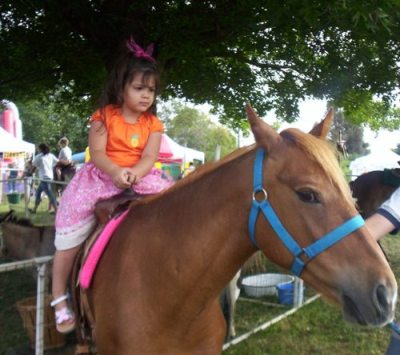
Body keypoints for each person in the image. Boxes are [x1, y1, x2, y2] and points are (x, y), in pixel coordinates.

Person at [50, 37, 173, 333]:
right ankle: (59, 297)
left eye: (151, 90)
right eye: (139, 88)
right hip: (102, 178)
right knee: (70, 231)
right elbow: (99, 154)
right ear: (122, 87)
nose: (146, 96)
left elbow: (149, 156)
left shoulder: (153, 124)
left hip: (141, 177)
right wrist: (117, 172)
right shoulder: (103, 117)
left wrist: (135, 173)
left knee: (178, 211)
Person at [29, 143, 59, 214]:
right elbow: (58, 162)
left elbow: (34, 167)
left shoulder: (39, 157)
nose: (38, 150)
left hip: (44, 178)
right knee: (38, 192)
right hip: (49, 178)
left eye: (38, 148)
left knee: (50, 195)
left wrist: (29, 173)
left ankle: (57, 210)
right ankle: (34, 209)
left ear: (41, 149)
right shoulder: (51, 156)